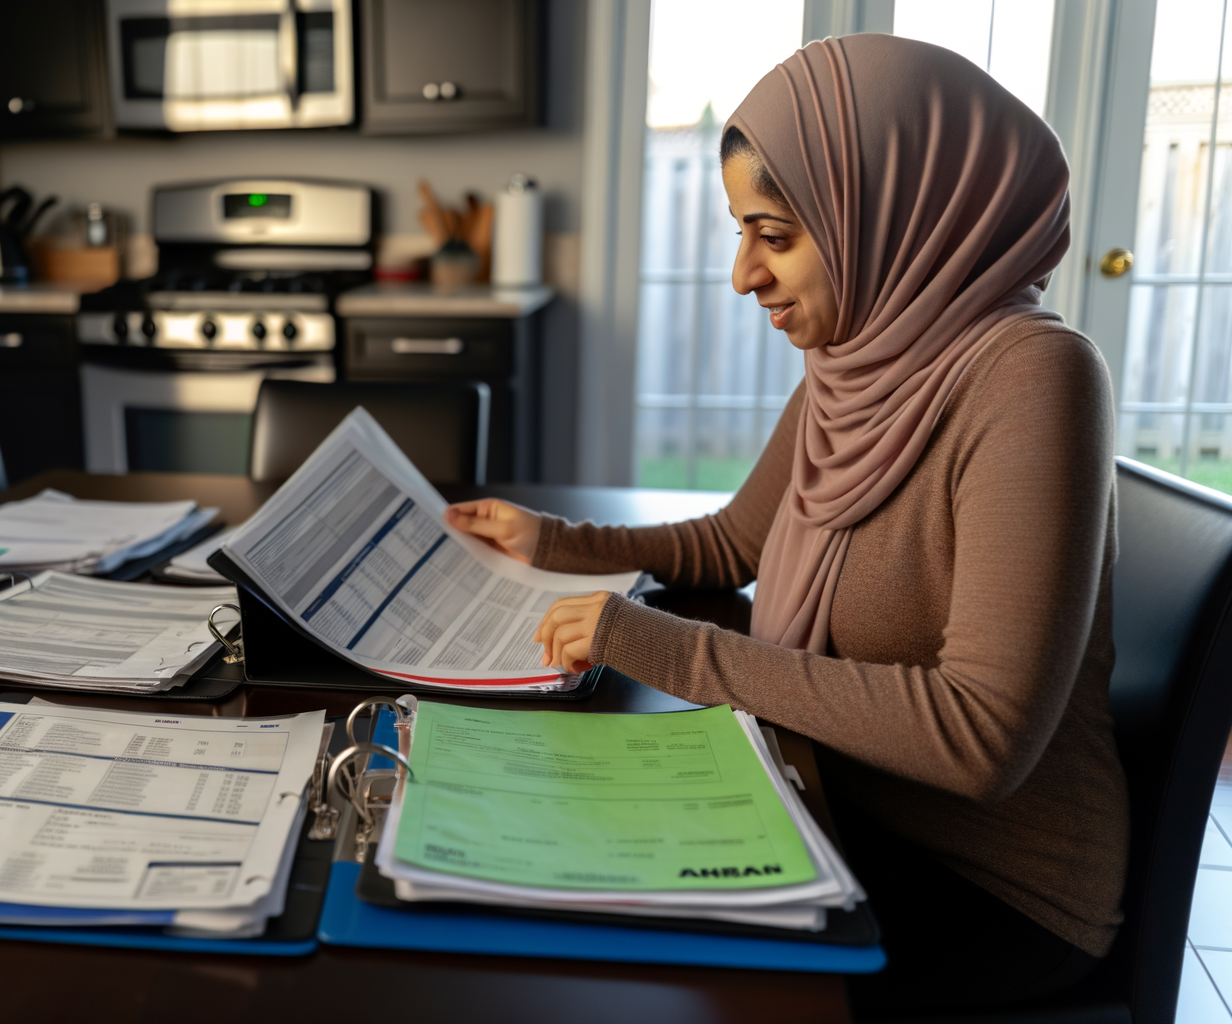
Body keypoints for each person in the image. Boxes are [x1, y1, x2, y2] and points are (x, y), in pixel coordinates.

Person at [446, 34, 1127, 1016]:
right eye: (740, 232)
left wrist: (648, 642)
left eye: (773, 234)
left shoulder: (1033, 379)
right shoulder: (861, 359)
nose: (741, 275)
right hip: (831, 804)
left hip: (991, 887)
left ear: (887, 214)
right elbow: (735, 543)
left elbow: (983, 738)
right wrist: (553, 543)